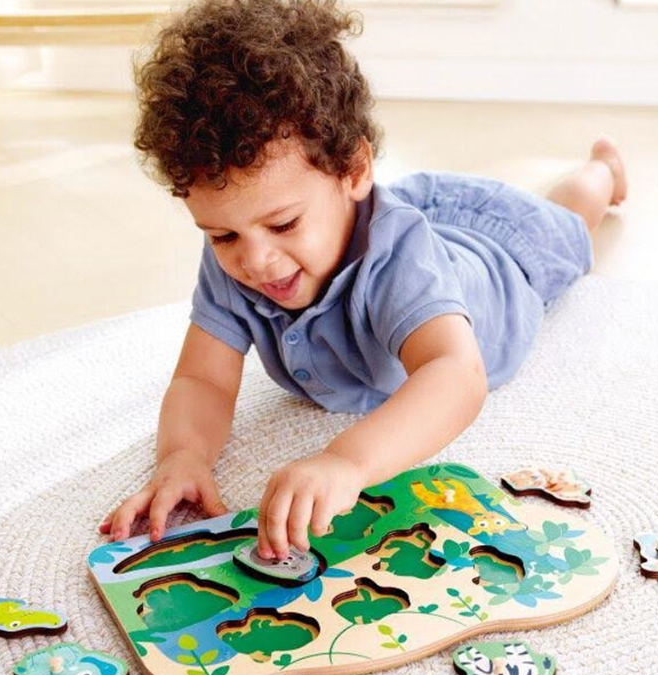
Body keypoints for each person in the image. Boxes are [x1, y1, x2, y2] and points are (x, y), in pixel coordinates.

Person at [100, 0, 627, 561]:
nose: (256, 261)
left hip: (503, 251)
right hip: (398, 212)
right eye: (222, 235)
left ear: (353, 172)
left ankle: (603, 171)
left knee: (570, 217)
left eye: (283, 224)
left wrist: (345, 461)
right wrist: (183, 456)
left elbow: (454, 373)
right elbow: (202, 380)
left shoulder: (399, 258)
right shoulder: (241, 253)